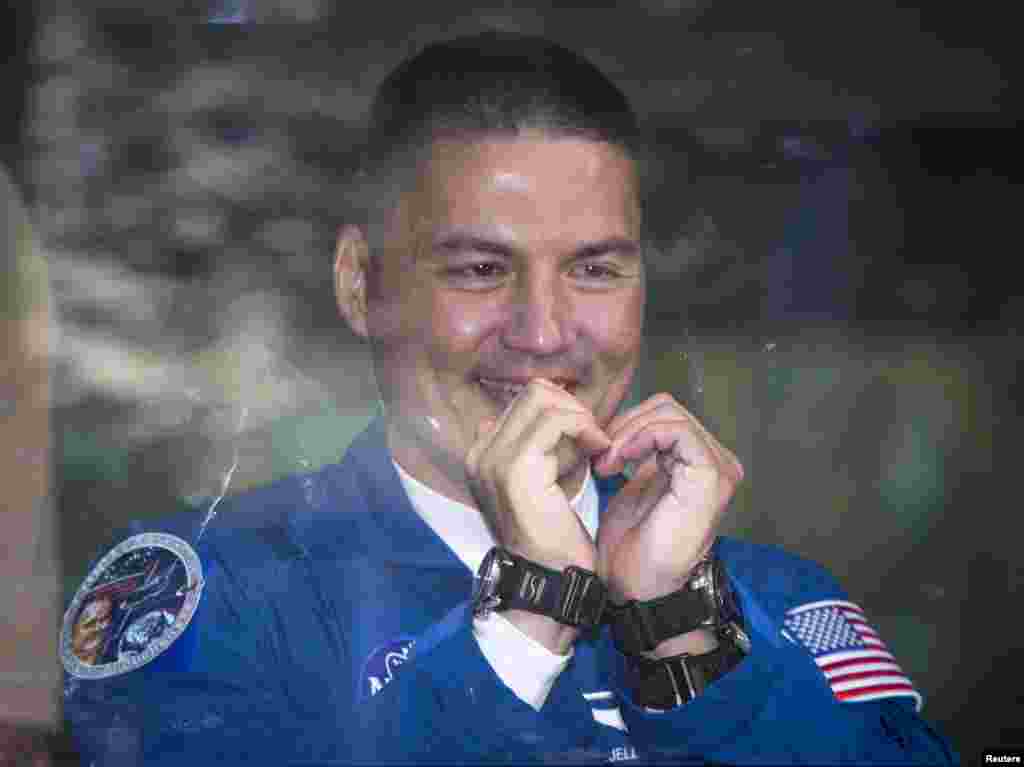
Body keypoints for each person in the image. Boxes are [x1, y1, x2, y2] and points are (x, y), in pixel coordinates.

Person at [61, 31, 957, 765]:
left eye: (595, 268)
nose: (542, 332)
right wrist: (528, 613)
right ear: (359, 285)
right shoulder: (210, 596)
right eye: (481, 269)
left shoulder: (771, 600)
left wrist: (681, 630)